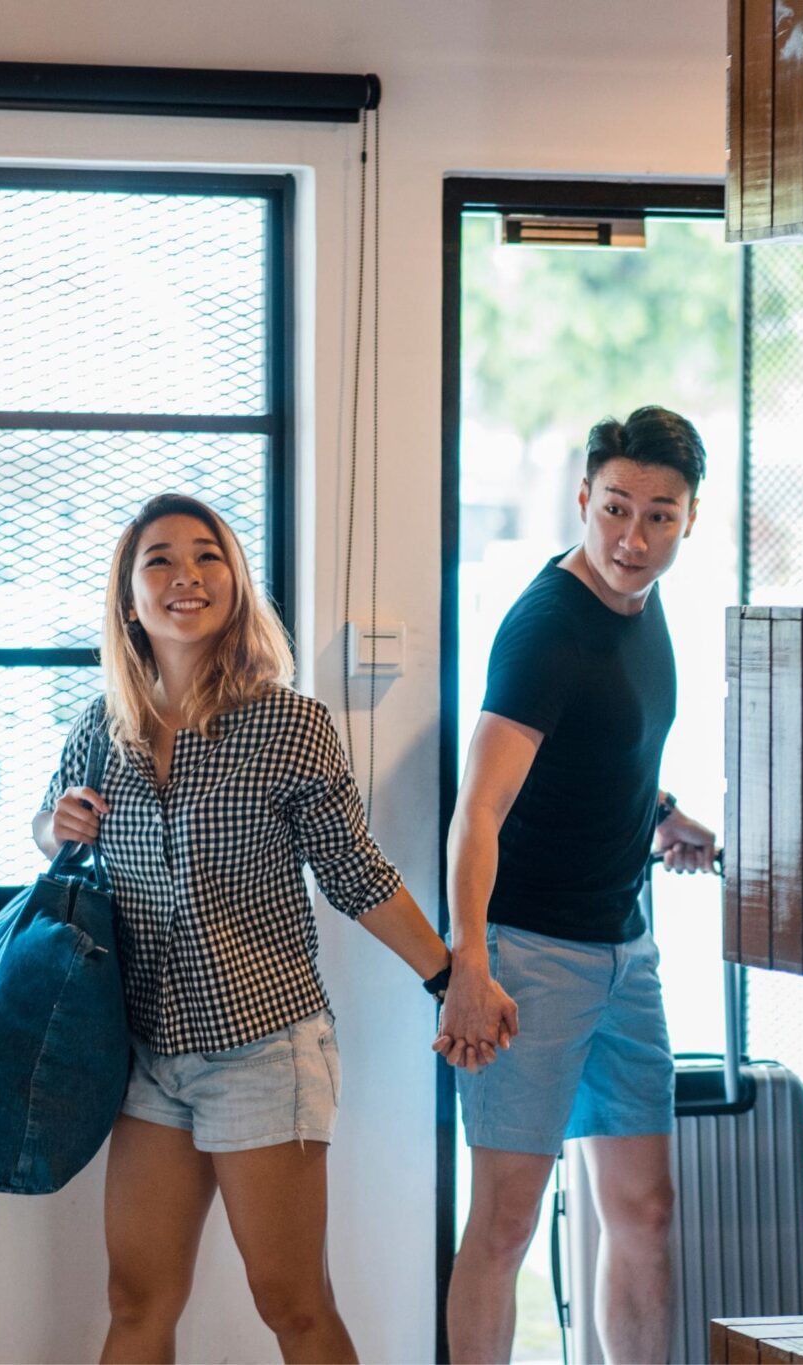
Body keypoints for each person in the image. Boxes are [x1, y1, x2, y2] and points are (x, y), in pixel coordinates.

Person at [35, 493, 512, 1365]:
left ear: (236, 581)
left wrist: (454, 979)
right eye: (161, 560)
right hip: (146, 1049)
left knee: (291, 1304)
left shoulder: (289, 725)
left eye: (207, 556)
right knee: (135, 1298)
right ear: (128, 599)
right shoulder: (103, 729)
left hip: (263, 1047)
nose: (187, 576)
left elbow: (355, 875)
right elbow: (52, 832)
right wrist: (54, 824)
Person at [439, 407, 721, 1363]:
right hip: (531, 957)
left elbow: (608, 740)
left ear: (689, 518)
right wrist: (468, 968)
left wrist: (663, 810)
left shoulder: (642, 603)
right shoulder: (546, 629)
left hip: (624, 951)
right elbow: (476, 809)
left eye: (659, 516)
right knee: (508, 1223)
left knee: (645, 1209)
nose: (632, 539)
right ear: (582, 499)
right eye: (613, 510)